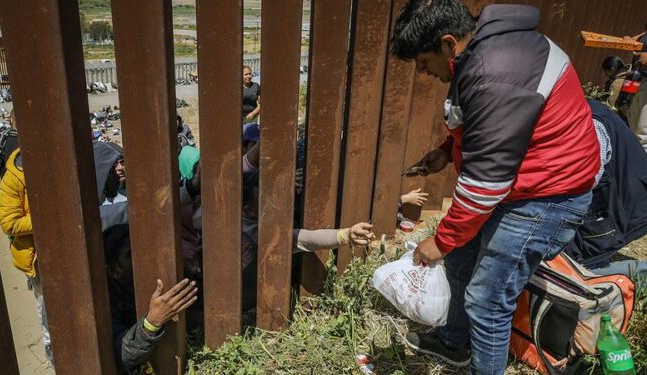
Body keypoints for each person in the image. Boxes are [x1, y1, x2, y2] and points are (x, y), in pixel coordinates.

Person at [391, 2, 599, 373]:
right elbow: (497, 134)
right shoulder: (489, 50)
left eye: (423, 62)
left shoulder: (493, 70)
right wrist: (445, 151)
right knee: (459, 260)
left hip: (547, 195)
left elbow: (485, 184)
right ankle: (455, 343)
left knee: (487, 300)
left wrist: (438, 240)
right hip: (523, 181)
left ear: (448, 43)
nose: (423, 72)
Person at [239, 171, 374, 318]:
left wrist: (345, 235)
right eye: (267, 202)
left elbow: (307, 237)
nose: (276, 204)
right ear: (249, 210)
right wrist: (345, 235)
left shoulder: (231, 219)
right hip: (246, 303)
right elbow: (306, 239)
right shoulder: (262, 234)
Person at [564, 99, 647, 280]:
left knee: (568, 266)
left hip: (624, 205)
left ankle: (639, 273)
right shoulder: (574, 110)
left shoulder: (588, 123)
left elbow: (580, 187)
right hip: (612, 196)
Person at [102, 224, 198, 374]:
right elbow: (119, 357)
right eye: (131, 255)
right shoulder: (105, 302)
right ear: (115, 271)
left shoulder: (158, 277)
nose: (143, 258)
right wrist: (151, 323)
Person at [0, 147, 53, 364]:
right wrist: (46, 218)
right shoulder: (14, 178)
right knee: (47, 306)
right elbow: (9, 223)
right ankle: (52, 351)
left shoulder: (55, 162)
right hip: (37, 258)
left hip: (68, 251)